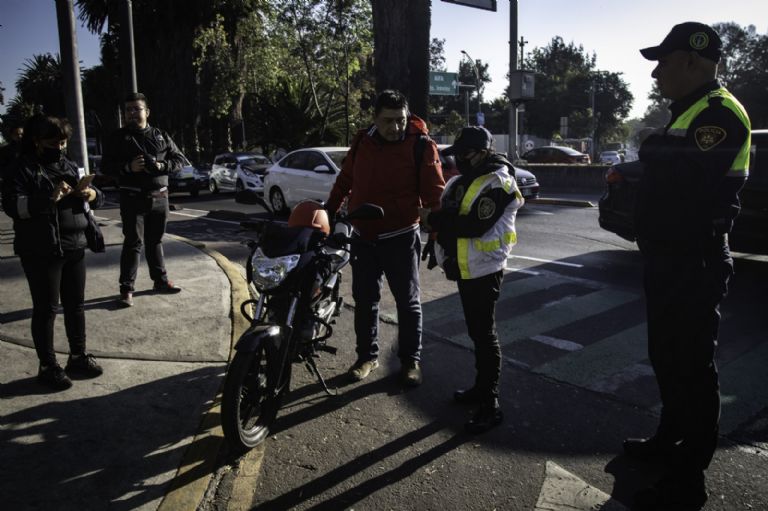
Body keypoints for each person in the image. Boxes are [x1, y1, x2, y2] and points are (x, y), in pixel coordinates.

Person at [624, 22, 751, 510]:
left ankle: (688, 478)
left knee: (692, 370)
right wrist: (659, 147)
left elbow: (681, 176)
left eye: (663, 62)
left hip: (694, 260)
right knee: (666, 357)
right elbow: (664, 160)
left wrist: (655, 147)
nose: (656, 74)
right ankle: (667, 440)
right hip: (670, 256)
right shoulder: (690, 113)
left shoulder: (720, 113)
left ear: (693, 61)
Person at [325, 89, 444, 387]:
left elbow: (435, 196)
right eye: (388, 121)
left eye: (401, 120)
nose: (396, 128)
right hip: (363, 237)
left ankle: (410, 361)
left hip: (402, 237)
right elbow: (345, 180)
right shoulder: (362, 141)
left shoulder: (421, 146)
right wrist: (327, 213)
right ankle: (367, 357)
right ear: (374, 118)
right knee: (365, 301)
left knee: (408, 302)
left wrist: (436, 235)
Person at [419, 126, 523, 433]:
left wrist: (433, 220)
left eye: (465, 155)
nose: (460, 161)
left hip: (485, 270)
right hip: (466, 269)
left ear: (483, 153)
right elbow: (451, 214)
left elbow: (473, 226)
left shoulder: (499, 183)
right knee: (477, 333)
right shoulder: (466, 180)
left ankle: (490, 402)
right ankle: (480, 388)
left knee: (485, 334)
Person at [1, 115, 105, 390]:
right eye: (52, 142)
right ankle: (48, 366)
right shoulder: (20, 169)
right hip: (40, 249)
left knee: (76, 305)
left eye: (63, 142)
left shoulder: (69, 164)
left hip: (75, 244)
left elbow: (98, 194)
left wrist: (91, 194)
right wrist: (49, 197)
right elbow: (14, 207)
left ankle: (78, 356)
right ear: (36, 142)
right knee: (47, 309)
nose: (59, 147)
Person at [101, 92, 186, 307]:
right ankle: (126, 289)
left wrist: (161, 166)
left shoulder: (160, 135)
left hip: (160, 198)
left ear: (146, 112)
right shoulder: (117, 138)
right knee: (133, 243)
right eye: (128, 110)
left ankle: (160, 281)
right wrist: (128, 168)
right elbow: (105, 167)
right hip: (132, 199)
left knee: (155, 242)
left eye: (136, 109)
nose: (131, 113)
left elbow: (179, 160)